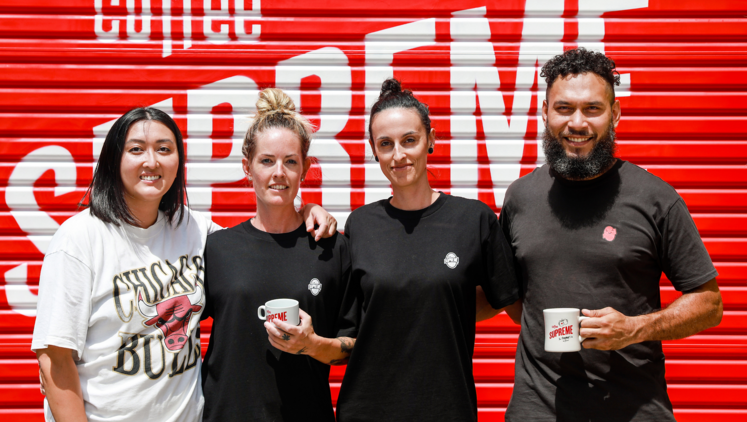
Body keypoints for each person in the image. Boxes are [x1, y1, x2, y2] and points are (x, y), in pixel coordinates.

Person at [31, 107, 336, 422]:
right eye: (136, 149)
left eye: (164, 149)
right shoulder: (79, 239)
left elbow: (262, 248)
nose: (152, 162)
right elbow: (54, 359)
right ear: (114, 159)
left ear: (178, 161)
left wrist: (304, 210)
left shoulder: (194, 230)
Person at [500, 47, 723, 421]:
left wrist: (634, 329)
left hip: (633, 409)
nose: (577, 123)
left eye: (592, 109)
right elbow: (510, 295)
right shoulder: (520, 197)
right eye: (564, 108)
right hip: (538, 409)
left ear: (614, 114)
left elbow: (709, 304)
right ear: (544, 112)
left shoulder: (654, 197)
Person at [335, 79, 521, 422]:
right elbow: (355, 323)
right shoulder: (360, 225)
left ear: (430, 139)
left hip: (447, 408)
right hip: (367, 410)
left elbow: (511, 303)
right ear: (374, 150)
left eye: (410, 140)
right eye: (386, 144)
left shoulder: (473, 220)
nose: (399, 155)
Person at [200, 88, 355, 422]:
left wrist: (312, 345)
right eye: (266, 161)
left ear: (305, 168)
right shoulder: (217, 247)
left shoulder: (331, 247)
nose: (278, 173)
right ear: (247, 167)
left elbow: (353, 347)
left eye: (290, 162)